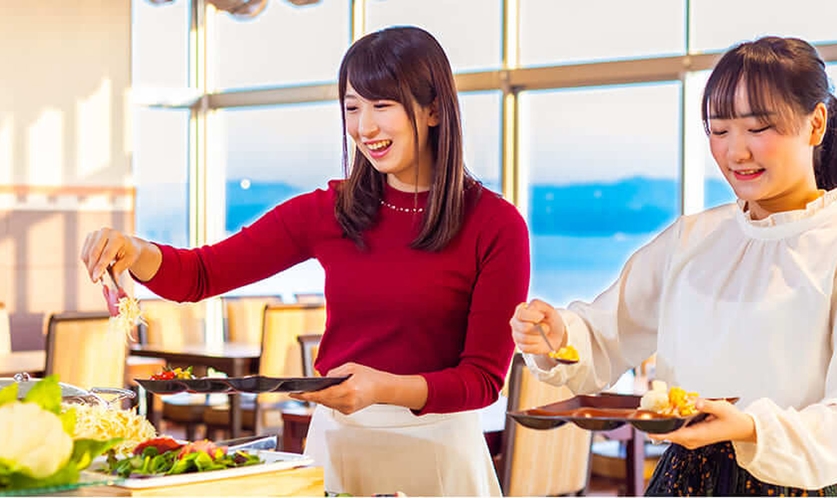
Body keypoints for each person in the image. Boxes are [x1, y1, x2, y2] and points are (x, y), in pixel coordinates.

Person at [82, 26, 529, 496]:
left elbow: (481, 380)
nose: (364, 128)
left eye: (382, 106)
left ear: (434, 109)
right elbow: (201, 274)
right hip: (337, 446)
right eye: (352, 108)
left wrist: (383, 388)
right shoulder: (329, 212)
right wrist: (134, 250)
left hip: (439, 454)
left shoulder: (495, 225)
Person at [510, 36, 837, 496]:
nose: (736, 152)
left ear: (816, 123)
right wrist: (557, 333)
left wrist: (746, 428)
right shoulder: (692, 238)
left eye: (759, 128)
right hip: (683, 480)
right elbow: (606, 333)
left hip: (792, 486)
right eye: (719, 131)